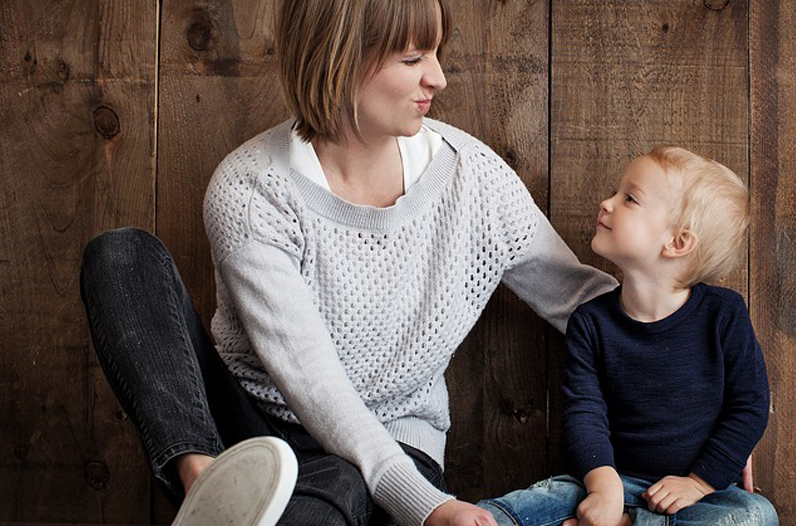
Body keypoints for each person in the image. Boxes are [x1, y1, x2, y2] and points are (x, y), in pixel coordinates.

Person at [77, 0, 617, 524]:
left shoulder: (473, 178)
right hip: (250, 434)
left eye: (435, 53)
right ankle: (207, 486)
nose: (438, 78)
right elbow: (311, 380)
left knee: (337, 478)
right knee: (121, 257)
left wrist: (700, 323)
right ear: (337, 56)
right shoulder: (250, 189)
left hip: (394, 446)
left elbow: (580, 301)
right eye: (412, 59)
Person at [477, 147, 777, 526]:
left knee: (754, 515)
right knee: (534, 503)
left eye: (629, 199)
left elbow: (750, 406)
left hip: (699, 493)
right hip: (611, 480)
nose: (606, 203)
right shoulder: (591, 322)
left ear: (677, 242)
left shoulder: (723, 314)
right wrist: (603, 489)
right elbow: (584, 411)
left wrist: (699, 483)